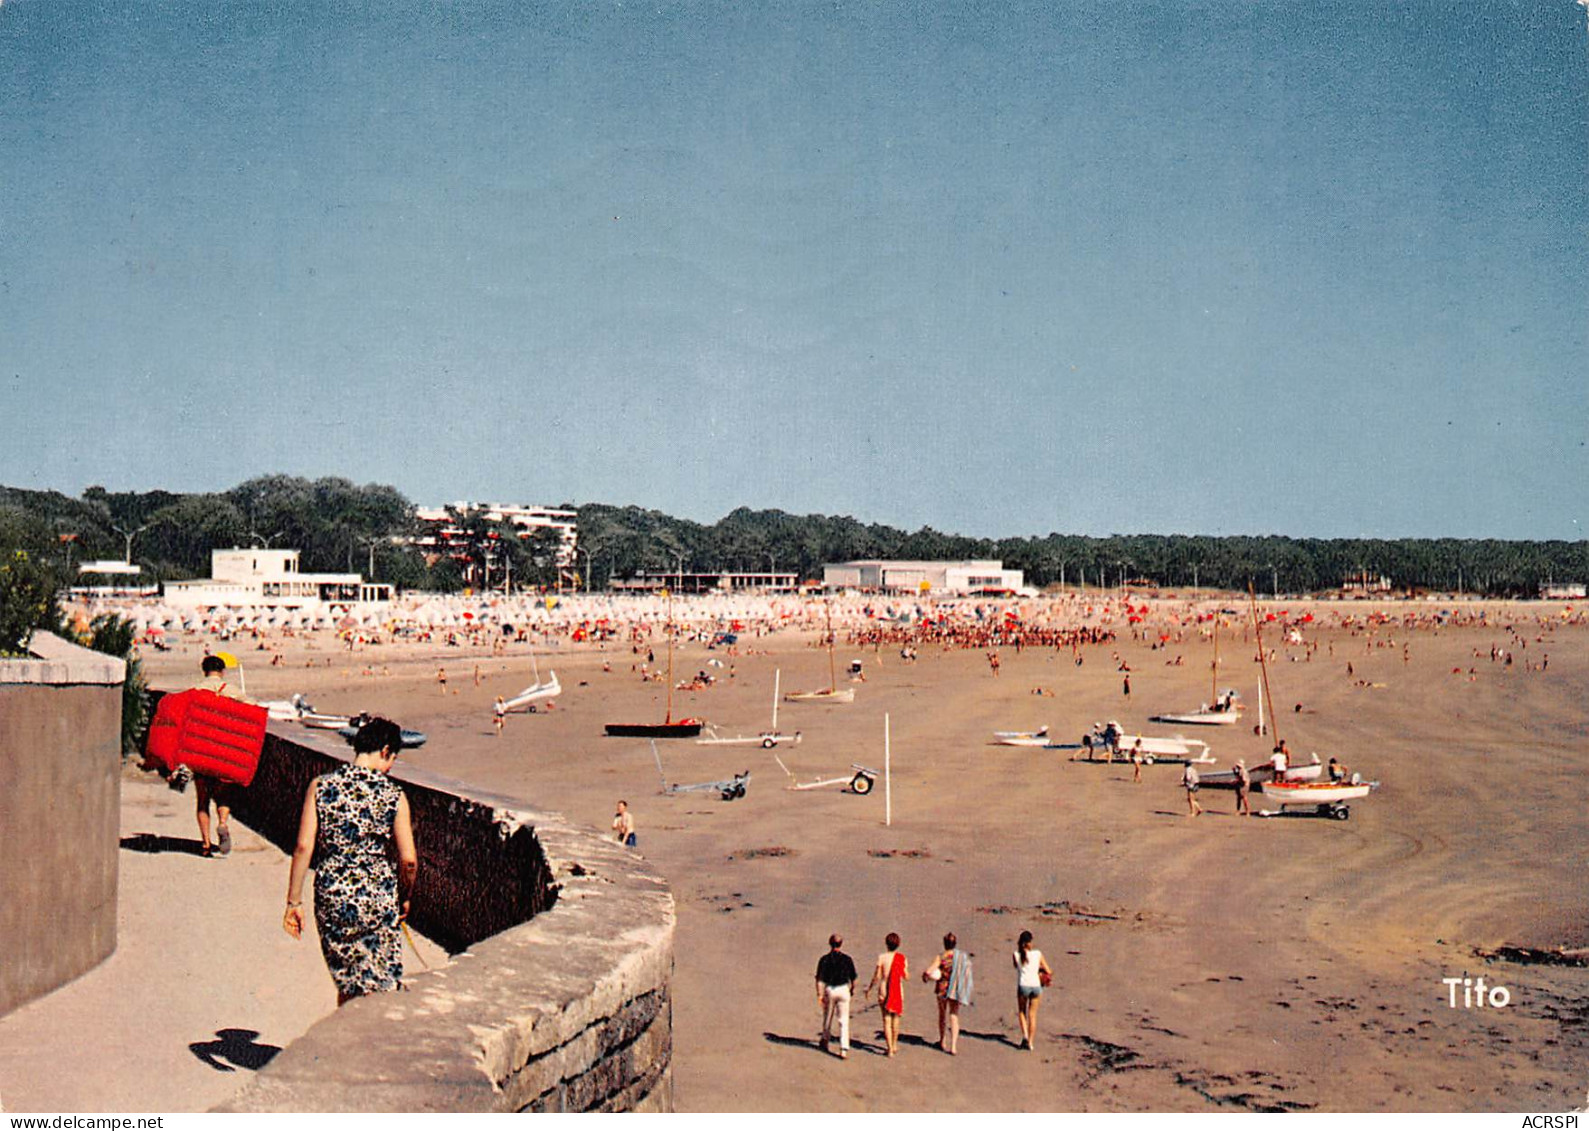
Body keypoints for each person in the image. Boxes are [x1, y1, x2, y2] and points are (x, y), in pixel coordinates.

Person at [283, 717, 418, 1005]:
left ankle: (348, 1041)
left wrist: (293, 902)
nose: (390, 766)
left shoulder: (321, 785)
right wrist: (404, 895)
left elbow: (303, 846)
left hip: (333, 891)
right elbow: (408, 861)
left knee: (347, 979)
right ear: (384, 751)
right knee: (380, 979)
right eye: (393, 758)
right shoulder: (394, 795)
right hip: (377, 893)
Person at [192, 655, 242, 857]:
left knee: (202, 799)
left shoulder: (195, 691)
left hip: (201, 751)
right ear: (222, 672)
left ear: (204, 671)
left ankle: (205, 844)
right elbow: (253, 710)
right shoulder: (232, 691)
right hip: (223, 751)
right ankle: (222, 822)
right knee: (223, 794)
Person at [864, 932, 909, 1057]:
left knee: (886, 1019)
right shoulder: (902, 958)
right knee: (896, 1018)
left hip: (884, 989)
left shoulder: (882, 957)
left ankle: (889, 1049)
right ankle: (894, 1045)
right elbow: (906, 976)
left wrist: (869, 989)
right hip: (897, 990)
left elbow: (877, 976)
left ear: (886, 944)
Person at [815, 934, 858, 1058]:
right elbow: (853, 978)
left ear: (830, 943)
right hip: (843, 989)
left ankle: (825, 1039)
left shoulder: (825, 959)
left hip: (830, 989)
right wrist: (852, 989)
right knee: (844, 1020)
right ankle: (843, 1048)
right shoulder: (847, 959)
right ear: (841, 944)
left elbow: (820, 979)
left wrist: (819, 994)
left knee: (827, 1017)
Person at [932, 932, 973, 1055]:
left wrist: (925, 976)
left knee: (942, 1015)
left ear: (944, 943)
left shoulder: (941, 956)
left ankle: (942, 1041)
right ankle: (953, 1046)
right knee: (954, 1015)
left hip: (942, 988)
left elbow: (931, 970)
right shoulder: (961, 957)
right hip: (956, 989)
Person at [1013, 930, 1052, 1050]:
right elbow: (1049, 971)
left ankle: (1024, 1036)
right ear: (1030, 942)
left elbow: (1017, 966)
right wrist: (1040, 970)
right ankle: (1030, 1042)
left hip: (1023, 985)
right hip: (1036, 986)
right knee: (1033, 1015)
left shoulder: (1016, 954)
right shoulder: (1038, 954)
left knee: (1021, 1011)